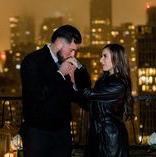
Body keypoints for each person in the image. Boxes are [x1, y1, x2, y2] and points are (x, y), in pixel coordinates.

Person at [20, 25, 91, 157]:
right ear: (59, 43)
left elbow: (79, 98)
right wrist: (60, 74)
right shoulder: (32, 61)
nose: (73, 55)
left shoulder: (66, 62)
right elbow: (39, 93)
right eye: (71, 50)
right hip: (37, 133)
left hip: (62, 133)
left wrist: (75, 83)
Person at [72, 43, 134, 157]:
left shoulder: (118, 85)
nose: (101, 60)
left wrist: (78, 69)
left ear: (116, 58)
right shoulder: (104, 80)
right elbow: (89, 104)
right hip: (98, 136)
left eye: (105, 56)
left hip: (110, 140)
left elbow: (87, 93)